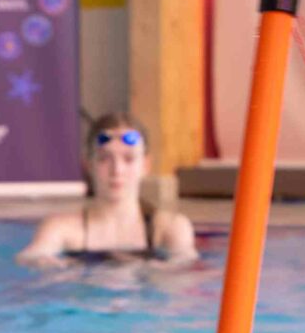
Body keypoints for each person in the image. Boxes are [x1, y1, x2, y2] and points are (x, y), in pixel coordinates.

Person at [17, 113, 198, 265]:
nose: (117, 170)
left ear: (145, 165)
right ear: (88, 165)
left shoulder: (169, 229)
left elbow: (184, 267)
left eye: (128, 159)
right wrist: (43, 262)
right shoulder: (63, 229)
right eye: (104, 159)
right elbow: (29, 257)